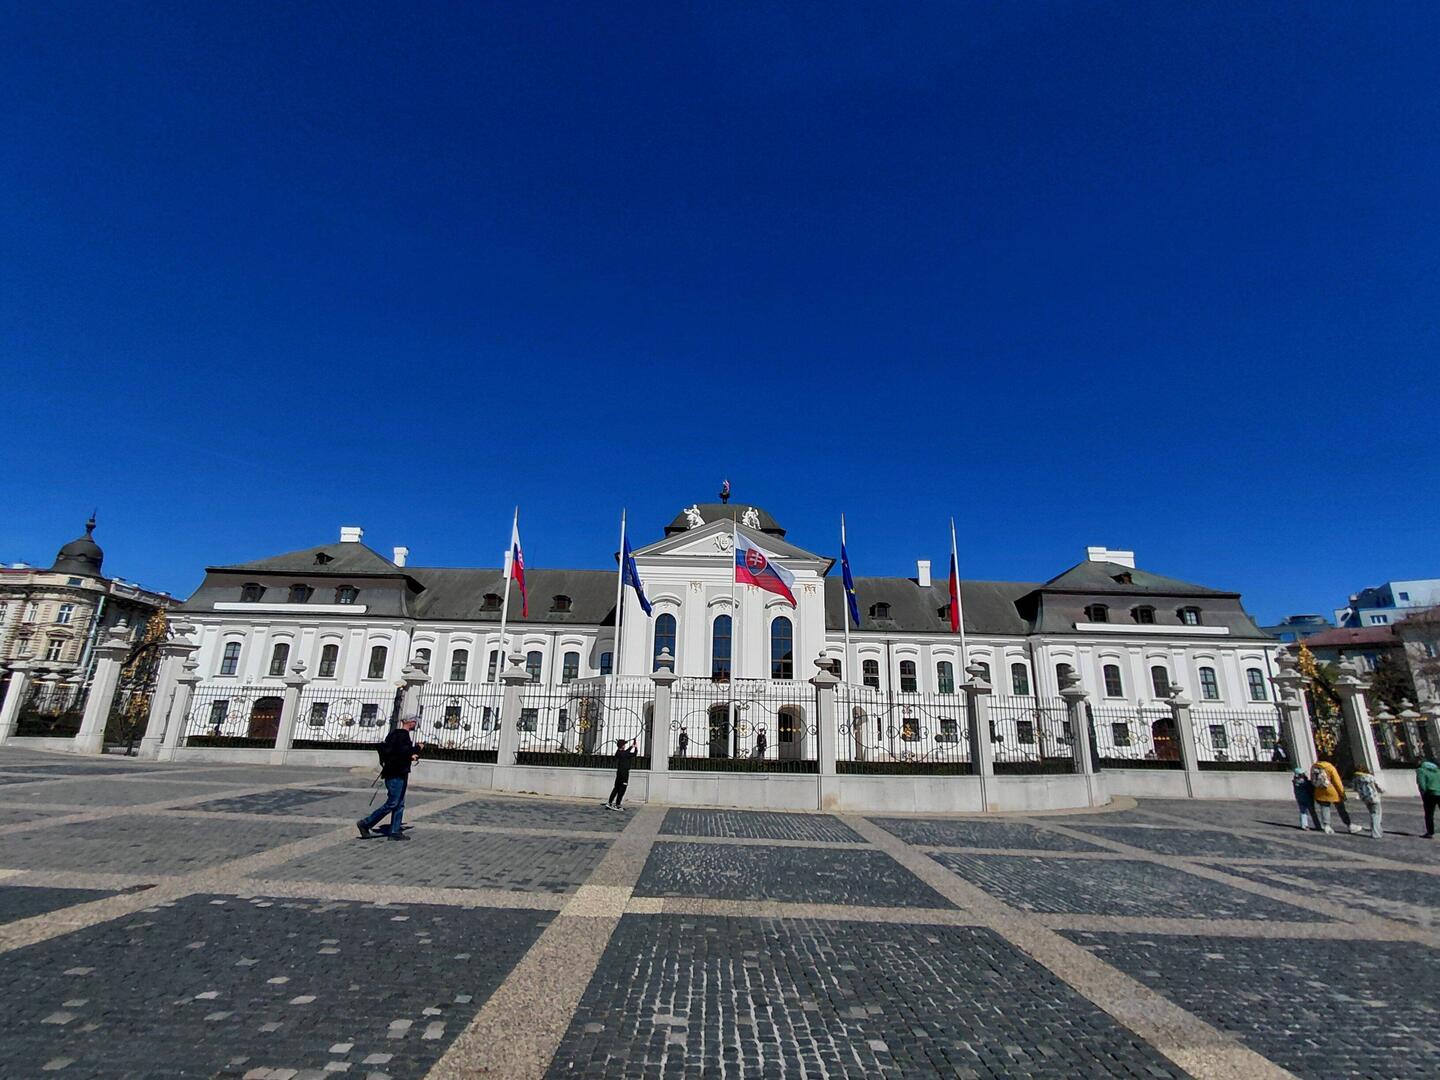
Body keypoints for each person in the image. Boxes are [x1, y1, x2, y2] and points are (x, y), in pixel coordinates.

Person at [357, 716, 422, 841]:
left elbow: (397, 753)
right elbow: (404, 752)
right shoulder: (403, 736)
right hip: (396, 773)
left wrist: (410, 756)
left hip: (394, 772)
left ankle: (394, 831)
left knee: (399, 803)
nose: (416, 725)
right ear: (411, 722)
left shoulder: (393, 734)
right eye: (415, 722)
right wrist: (418, 748)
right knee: (393, 803)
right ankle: (366, 823)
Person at [1310, 758, 1361, 835]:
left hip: (1320, 790)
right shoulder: (1330, 767)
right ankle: (1349, 825)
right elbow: (1337, 782)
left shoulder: (1314, 767)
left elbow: (1312, 779)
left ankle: (1326, 825)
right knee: (1341, 808)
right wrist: (1342, 793)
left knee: (1325, 808)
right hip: (1332, 791)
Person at [1350, 767, 1384, 839]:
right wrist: (1381, 791)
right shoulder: (1369, 777)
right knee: (1376, 815)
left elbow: (1354, 788)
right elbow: (1378, 786)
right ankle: (1376, 833)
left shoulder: (1356, 779)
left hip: (1365, 799)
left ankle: (1376, 830)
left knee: (1372, 814)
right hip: (1374, 798)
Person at [606, 738, 636, 811]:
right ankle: (617, 805)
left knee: (616, 788)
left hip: (619, 772)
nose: (625, 746)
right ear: (622, 746)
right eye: (624, 745)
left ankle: (610, 802)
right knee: (622, 789)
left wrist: (631, 746)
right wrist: (636, 748)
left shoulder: (618, 752)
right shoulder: (624, 754)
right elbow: (634, 754)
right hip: (624, 773)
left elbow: (626, 752)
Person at [1417, 759, 1440, 838]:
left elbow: (1422, 784)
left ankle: (1430, 832)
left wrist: (1423, 793)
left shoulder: (1421, 770)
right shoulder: (1438, 771)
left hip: (1430, 794)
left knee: (1429, 814)